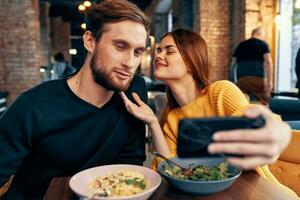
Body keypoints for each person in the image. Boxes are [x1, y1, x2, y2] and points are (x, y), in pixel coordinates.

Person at [0, 1, 149, 199]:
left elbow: (130, 164)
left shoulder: (134, 92)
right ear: (90, 41)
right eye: (120, 46)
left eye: (138, 52)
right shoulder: (34, 106)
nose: (130, 63)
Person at [120, 29, 293, 191]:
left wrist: (270, 130)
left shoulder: (220, 92)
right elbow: (173, 169)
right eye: (158, 50)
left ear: (190, 62)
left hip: (260, 192)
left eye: (169, 51)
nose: (159, 55)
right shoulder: (172, 117)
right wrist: (153, 123)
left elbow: (255, 121)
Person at [232, 27, 273, 105]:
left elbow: (233, 63)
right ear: (260, 34)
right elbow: (268, 61)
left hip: (242, 79)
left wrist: (233, 81)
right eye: (263, 35)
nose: (264, 38)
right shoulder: (263, 44)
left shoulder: (241, 45)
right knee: (264, 102)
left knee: (241, 103)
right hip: (258, 79)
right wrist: (269, 81)